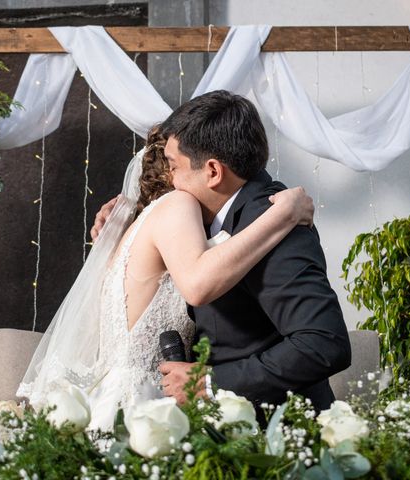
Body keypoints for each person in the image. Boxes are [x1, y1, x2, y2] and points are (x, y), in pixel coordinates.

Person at [17, 125, 313, 432]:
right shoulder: (176, 205)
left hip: (118, 394)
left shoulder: (135, 225)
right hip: (147, 401)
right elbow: (201, 280)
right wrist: (284, 214)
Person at [94, 91, 351, 413]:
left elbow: (324, 343)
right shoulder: (214, 220)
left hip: (275, 434)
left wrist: (214, 383)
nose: (169, 179)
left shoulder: (278, 222)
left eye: (173, 166)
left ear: (213, 171)